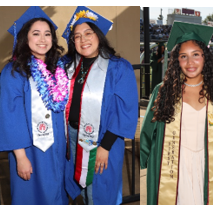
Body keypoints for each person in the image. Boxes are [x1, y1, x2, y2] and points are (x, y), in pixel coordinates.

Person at [140, 22, 213, 205]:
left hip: (209, 164)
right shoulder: (163, 91)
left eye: (195, 55)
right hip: (174, 164)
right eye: (183, 56)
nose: (190, 62)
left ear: (205, 57)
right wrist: (145, 160)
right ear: (176, 60)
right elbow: (147, 132)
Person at [60, 6, 139, 204]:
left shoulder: (118, 67)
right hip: (72, 137)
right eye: (77, 36)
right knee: (83, 188)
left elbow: (126, 110)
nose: (83, 40)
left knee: (101, 190)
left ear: (99, 35)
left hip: (103, 139)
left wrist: (105, 146)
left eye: (88, 33)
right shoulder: (68, 66)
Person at [0, 6, 70, 205]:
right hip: (31, 149)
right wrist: (21, 157)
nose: (42, 39)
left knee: (57, 193)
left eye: (47, 34)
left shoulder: (58, 69)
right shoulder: (14, 71)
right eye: (36, 34)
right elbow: (10, 116)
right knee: (32, 196)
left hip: (58, 147)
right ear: (25, 38)